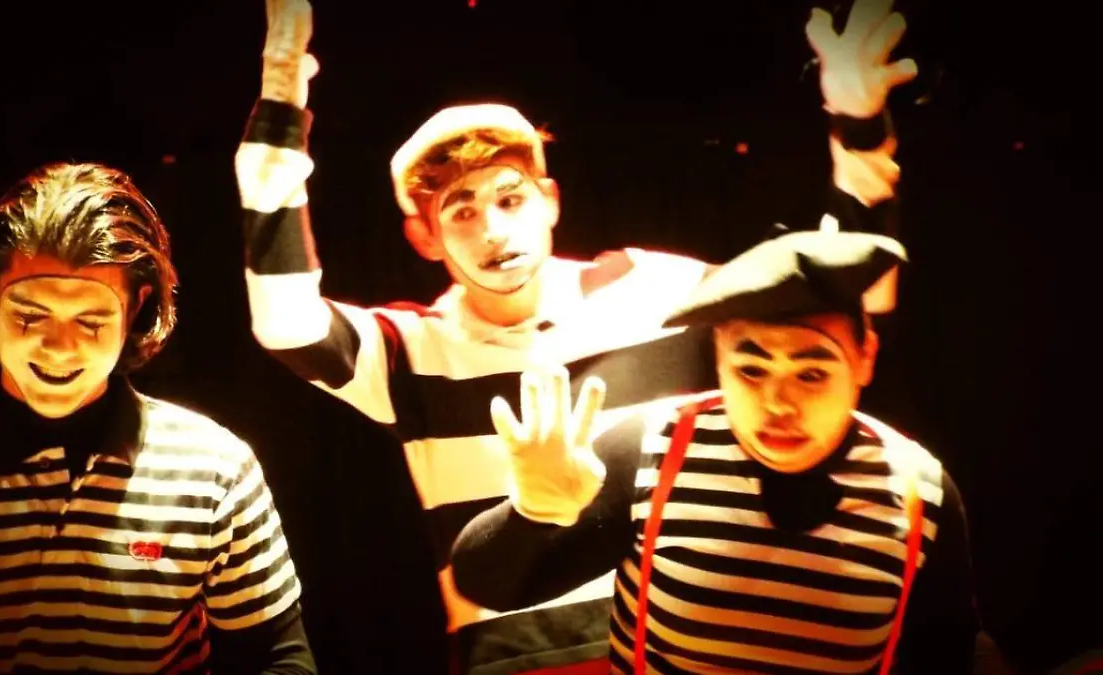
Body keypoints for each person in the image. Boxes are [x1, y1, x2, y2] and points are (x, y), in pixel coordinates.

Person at [237, 0, 918, 671]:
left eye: (510, 199)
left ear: (551, 202)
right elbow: (284, 320)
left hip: (676, 638)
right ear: (425, 237)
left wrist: (860, 127)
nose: (493, 230)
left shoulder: (648, 290)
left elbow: (840, 291)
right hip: (516, 652)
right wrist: (278, 113)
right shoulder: (412, 349)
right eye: (461, 212)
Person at [449, 229, 979, 673]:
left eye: (812, 373)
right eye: (750, 370)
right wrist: (531, 515)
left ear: (865, 358)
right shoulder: (655, 449)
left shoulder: (921, 493)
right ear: (718, 357)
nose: (778, 403)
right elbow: (489, 586)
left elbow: (944, 659)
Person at [0, 163, 316, 675]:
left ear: (136, 306)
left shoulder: (214, 470)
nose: (59, 348)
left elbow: (279, 659)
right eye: (30, 316)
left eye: (90, 321)